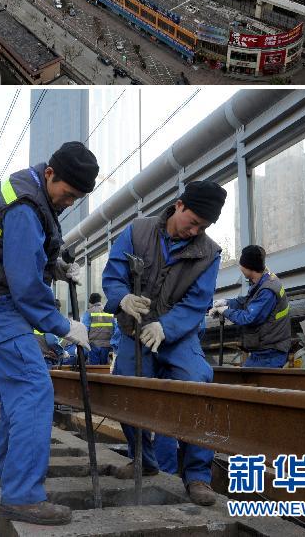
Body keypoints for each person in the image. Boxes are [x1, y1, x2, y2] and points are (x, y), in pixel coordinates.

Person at [0, 141, 98, 527]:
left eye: (76, 198)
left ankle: (4, 470)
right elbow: (23, 281)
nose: (69, 202)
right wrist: (63, 325)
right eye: (67, 194)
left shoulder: (36, 194)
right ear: (50, 174)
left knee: (20, 389)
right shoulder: (24, 206)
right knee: (35, 388)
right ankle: (22, 496)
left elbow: (31, 255)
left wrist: (56, 268)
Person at [102, 180, 226, 507]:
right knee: (126, 385)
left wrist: (166, 327)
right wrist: (122, 298)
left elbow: (197, 302)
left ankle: (197, 475)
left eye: (204, 226)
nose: (195, 230)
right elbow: (113, 275)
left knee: (198, 382)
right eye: (194, 221)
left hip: (177, 334)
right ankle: (144, 459)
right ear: (180, 205)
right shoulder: (138, 231)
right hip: (134, 329)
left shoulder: (209, 253)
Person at [210, 245, 291, 368]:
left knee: (251, 382)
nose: (240, 267)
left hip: (270, 354)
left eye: (242, 264)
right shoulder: (263, 279)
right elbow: (249, 301)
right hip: (264, 350)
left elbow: (248, 318)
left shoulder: (267, 290)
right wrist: (227, 302)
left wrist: (226, 311)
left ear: (249, 268)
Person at [81, 292, 115, 364]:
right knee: (105, 369)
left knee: (94, 370)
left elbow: (84, 329)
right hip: (107, 346)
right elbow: (115, 328)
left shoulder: (89, 312)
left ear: (90, 302)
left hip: (94, 345)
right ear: (100, 301)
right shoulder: (109, 312)